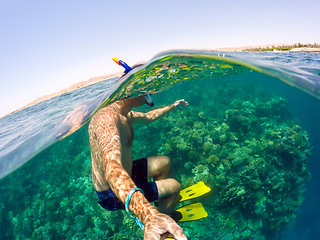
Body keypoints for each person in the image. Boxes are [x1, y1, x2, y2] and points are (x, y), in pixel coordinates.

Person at [88, 93, 188, 240]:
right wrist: (149, 215)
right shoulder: (106, 119)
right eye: (147, 95)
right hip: (112, 192)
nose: (149, 98)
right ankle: (161, 220)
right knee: (174, 186)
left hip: (127, 173)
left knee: (164, 162)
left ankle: (159, 203)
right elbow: (111, 169)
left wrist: (174, 106)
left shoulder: (123, 113)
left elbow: (149, 117)